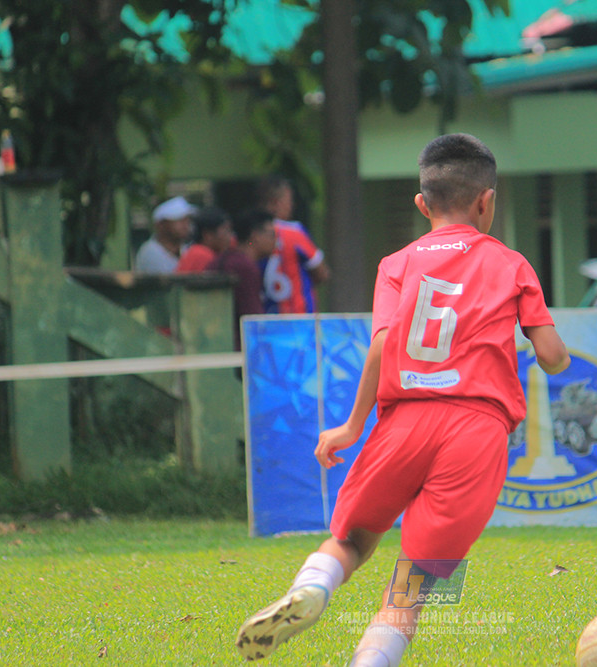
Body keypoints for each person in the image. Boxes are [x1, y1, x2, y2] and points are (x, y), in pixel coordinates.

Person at [235, 134, 571, 664]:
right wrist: (556, 356)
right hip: (476, 430)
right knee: (410, 591)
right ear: (486, 202)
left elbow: (382, 346)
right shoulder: (511, 264)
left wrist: (351, 427)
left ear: (422, 204)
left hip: (403, 423)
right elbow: (550, 355)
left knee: (352, 540)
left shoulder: (397, 263)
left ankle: (313, 586)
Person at [256, 174, 330, 313]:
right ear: (275, 203)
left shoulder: (252, 234)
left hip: (265, 316)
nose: (292, 206)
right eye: (289, 200)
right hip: (298, 315)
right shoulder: (294, 232)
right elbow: (322, 273)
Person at [206, 208, 278, 350]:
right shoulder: (245, 267)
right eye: (272, 235)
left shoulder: (223, 259)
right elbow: (253, 319)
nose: (276, 241)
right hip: (237, 350)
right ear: (255, 236)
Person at [134, 196, 195, 273]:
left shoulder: (187, 250)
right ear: (161, 224)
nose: (185, 225)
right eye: (179, 220)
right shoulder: (150, 252)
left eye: (187, 220)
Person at [176, 206, 235, 273]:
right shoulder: (203, 255)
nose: (230, 237)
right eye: (226, 231)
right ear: (208, 235)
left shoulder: (196, 250)